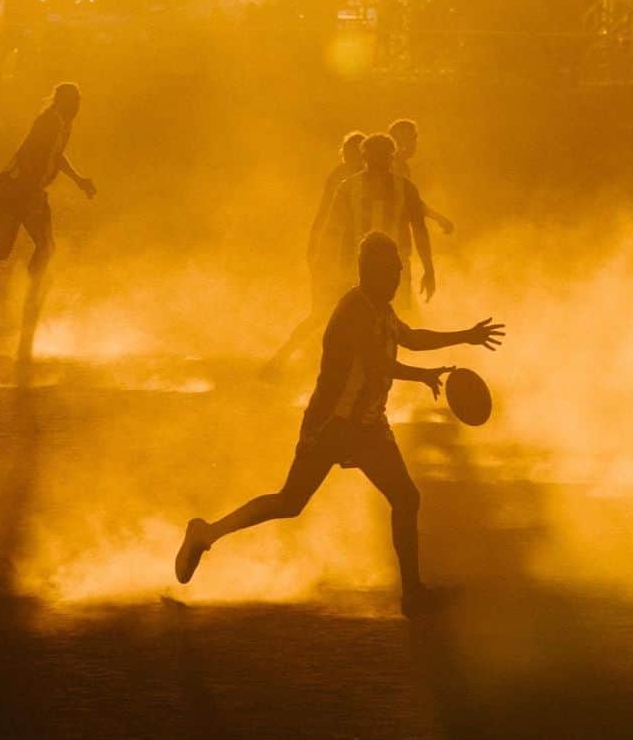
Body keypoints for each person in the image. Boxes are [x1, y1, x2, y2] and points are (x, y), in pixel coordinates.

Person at [175, 231, 504, 615]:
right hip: (333, 426)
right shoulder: (354, 310)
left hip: (367, 426)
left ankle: (413, 594)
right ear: (368, 271)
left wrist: (466, 335)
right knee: (290, 501)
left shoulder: (381, 307)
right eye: (391, 271)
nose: (398, 277)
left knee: (405, 498)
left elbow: (410, 337)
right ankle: (206, 533)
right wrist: (425, 375)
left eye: (399, 270)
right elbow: (378, 363)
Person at [0, 82, 96, 362]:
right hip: (19, 188)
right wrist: (35, 192)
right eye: (75, 102)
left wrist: (78, 180)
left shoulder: (61, 124)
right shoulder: (49, 122)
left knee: (3, 248)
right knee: (44, 246)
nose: (77, 108)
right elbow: (33, 158)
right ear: (64, 102)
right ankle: (31, 307)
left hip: (14, 186)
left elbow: (56, 156)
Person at [261, 131, 366, 376]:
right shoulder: (345, 178)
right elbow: (326, 217)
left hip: (342, 256)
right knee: (326, 313)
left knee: (332, 314)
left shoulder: (356, 179)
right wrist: (317, 252)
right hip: (335, 256)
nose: (354, 159)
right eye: (350, 154)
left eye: (357, 155)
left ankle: (289, 359)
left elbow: (326, 217)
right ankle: (286, 358)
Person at [321, 132, 435, 306]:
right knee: (360, 320)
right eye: (375, 156)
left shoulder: (406, 188)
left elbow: (420, 229)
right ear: (365, 157)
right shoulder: (348, 187)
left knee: (396, 320)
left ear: (391, 157)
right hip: (356, 268)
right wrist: (332, 272)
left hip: (396, 268)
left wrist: (429, 269)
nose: (380, 161)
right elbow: (332, 231)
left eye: (385, 155)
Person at [387, 119, 454, 235]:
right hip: (391, 232)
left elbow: (411, 200)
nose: (415, 142)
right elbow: (411, 202)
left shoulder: (401, 166)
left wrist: (438, 217)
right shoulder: (394, 166)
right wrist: (439, 218)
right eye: (412, 138)